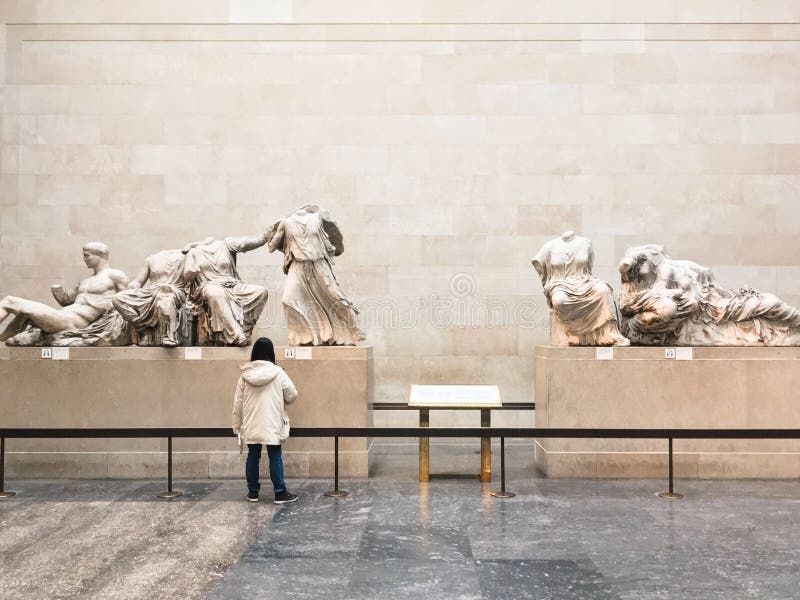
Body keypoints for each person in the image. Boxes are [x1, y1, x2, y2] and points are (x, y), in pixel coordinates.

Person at [232, 337, 298, 504]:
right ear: (271, 353)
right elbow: (292, 394)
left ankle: (253, 492)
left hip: (251, 422)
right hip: (272, 422)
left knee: (253, 456)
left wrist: (236, 427)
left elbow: (237, 404)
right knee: (275, 456)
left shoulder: (245, 375)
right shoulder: (278, 373)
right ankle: (279, 492)